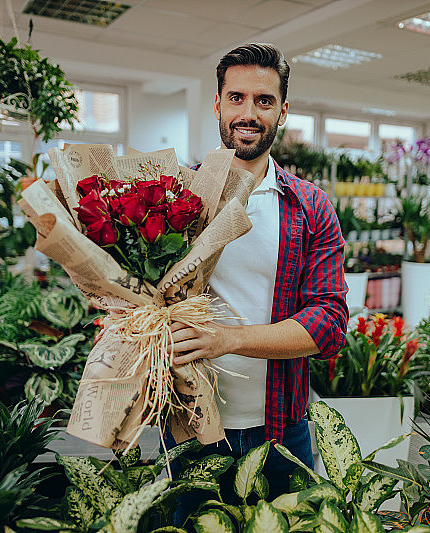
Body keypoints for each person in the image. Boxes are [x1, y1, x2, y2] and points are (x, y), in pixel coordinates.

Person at [168, 43, 348, 501]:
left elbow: (329, 325)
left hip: (282, 432)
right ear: (217, 104)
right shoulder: (171, 197)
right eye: (237, 98)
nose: (248, 113)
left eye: (263, 101)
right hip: (192, 427)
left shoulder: (311, 206)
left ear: (282, 111)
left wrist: (229, 339)